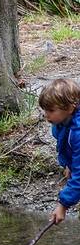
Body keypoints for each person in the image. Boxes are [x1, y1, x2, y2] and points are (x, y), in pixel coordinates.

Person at [39, 78, 80, 224]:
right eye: (45, 110)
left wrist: (63, 205)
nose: (46, 114)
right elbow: (66, 147)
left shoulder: (78, 133)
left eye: (51, 110)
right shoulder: (60, 123)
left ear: (70, 108)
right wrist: (69, 165)